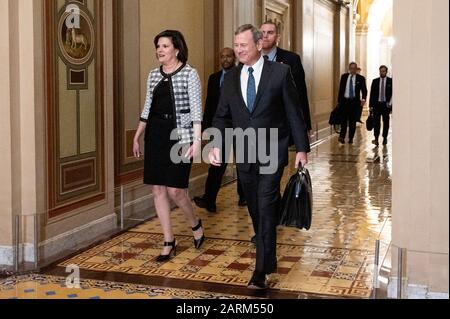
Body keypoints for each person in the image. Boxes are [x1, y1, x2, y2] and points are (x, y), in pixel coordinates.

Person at [210, 24, 310, 289]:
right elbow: (221, 115)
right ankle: (270, 255)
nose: (238, 49)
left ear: (258, 44)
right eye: (236, 44)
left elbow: (293, 112)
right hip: (244, 152)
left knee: (265, 204)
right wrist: (216, 143)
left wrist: (301, 148)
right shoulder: (230, 77)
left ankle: (260, 271)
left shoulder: (280, 72)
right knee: (255, 207)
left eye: (243, 45)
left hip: (272, 151)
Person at [133, 30, 205, 262]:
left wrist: (196, 141)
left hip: (181, 137)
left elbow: (196, 111)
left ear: (176, 49)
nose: (159, 50)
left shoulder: (190, 74)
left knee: (176, 191)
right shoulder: (153, 74)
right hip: (155, 136)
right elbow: (147, 107)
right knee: (157, 190)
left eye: (164, 46)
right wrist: (137, 136)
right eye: (158, 46)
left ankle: (194, 224)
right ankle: (168, 240)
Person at [193, 48, 247, 213]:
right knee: (216, 165)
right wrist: (205, 128)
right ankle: (209, 200)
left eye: (228, 56)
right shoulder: (214, 78)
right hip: (220, 128)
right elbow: (209, 105)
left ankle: (244, 197)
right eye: (222, 56)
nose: (225, 59)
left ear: (234, 58)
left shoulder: (242, 75)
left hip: (239, 126)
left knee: (243, 163)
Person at [260, 21, 312, 135]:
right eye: (262, 32)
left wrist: (305, 125)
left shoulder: (291, 60)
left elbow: (300, 93)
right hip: (255, 128)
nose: (265, 36)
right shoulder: (249, 59)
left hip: (282, 126)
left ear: (277, 37)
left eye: (270, 32)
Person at [337, 62, 368, 144]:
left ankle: (351, 138)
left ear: (356, 69)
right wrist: (339, 102)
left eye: (354, 68)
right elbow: (340, 90)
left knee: (352, 121)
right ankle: (342, 137)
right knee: (343, 120)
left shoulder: (360, 78)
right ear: (349, 68)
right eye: (351, 68)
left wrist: (363, 99)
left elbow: (364, 90)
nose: (352, 70)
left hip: (354, 103)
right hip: (344, 102)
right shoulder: (344, 77)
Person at [369, 65, 393, 146]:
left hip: (386, 106)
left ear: (386, 72)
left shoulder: (391, 81)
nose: (382, 72)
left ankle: (385, 137)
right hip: (376, 105)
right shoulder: (375, 81)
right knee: (376, 122)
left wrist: (391, 106)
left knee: (386, 122)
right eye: (380, 71)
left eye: (383, 71)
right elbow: (371, 94)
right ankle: (376, 138)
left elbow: (393, 94)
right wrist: (370, 106)